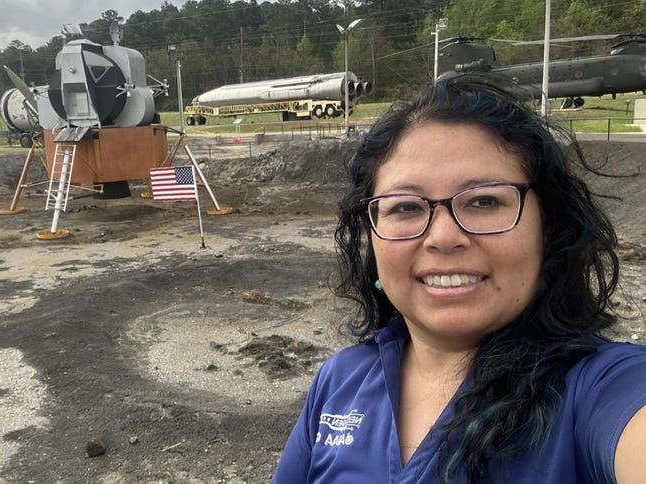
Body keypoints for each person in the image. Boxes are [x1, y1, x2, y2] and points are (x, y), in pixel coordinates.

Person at [271, 76, 646, 483]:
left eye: (485, 200)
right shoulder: (340, 380)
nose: (444, 237)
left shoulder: (602, 388)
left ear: (548, 228)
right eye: (405, 207)